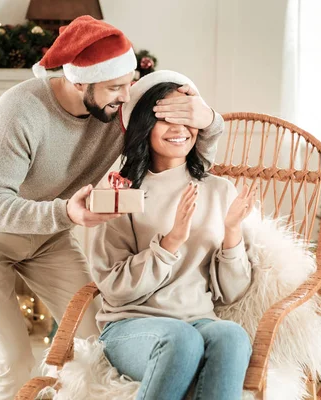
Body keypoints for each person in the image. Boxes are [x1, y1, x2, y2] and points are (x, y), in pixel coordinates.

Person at [0, 17, 224, 399]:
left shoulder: (115, 109)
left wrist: (209, 119)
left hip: (48, 237)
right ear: (78, 81)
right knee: (13, 360)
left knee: (96, 342)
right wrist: (67, 214)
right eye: (114, 87)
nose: (125, 97)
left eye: (129, 83)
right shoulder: (20, 110)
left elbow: (182, 154)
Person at [90, 71, 256, 400]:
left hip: (198, 321)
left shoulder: (219, 190)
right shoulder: (119, 191)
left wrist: (232, 233)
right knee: (181, 339)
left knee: (232, 336)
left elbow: (232, 294)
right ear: (143, 126)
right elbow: (114, 288)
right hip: (131, 327)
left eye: (186, 116)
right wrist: (170, 244)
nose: (179, 129)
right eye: (166, 118)